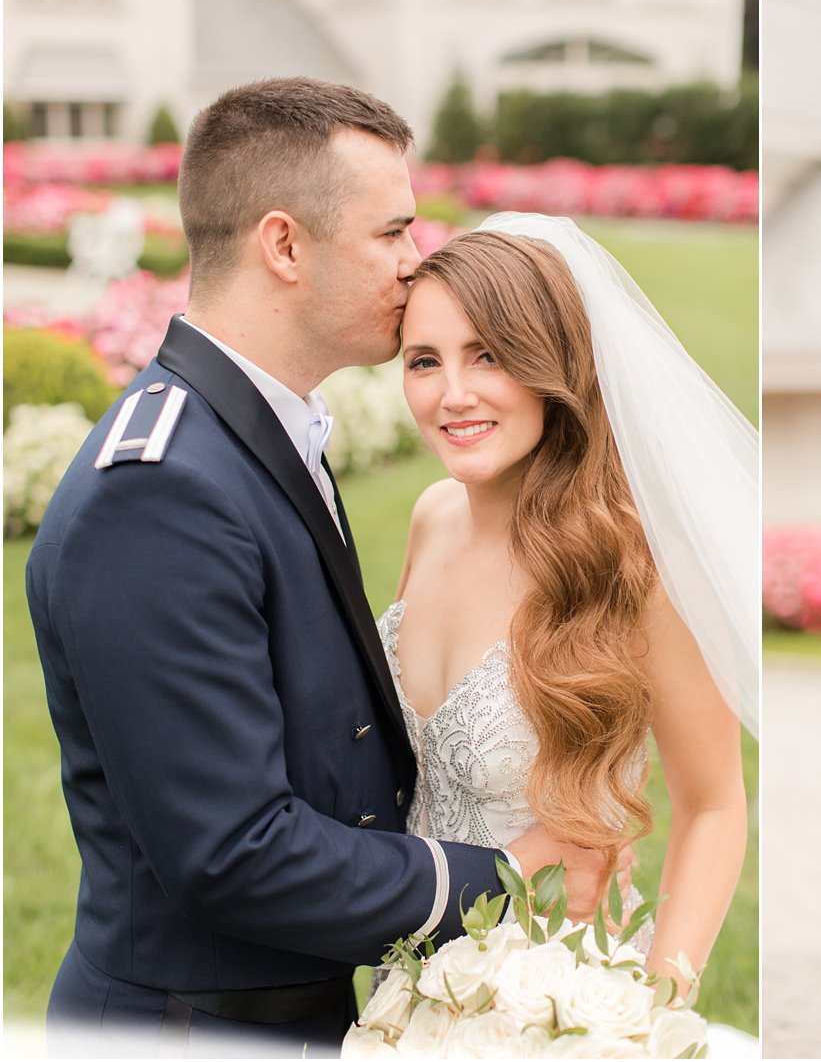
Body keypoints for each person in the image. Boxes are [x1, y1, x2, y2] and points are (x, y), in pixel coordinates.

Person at [26, 79, 626, 1058]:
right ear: (284, 245)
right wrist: (503, 869)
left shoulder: (255, 432)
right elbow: (231, 852)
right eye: (392, 231)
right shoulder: (163, 489)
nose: (413, 257)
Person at [388, 213, 756, 993]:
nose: (453, 394)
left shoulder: (640, 566)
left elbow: (714, 805)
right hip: (407, 985)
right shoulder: (429, 520)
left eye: (488, 355)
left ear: (549, 363)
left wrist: (656, 1012)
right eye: (425, 361)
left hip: (561, 995)